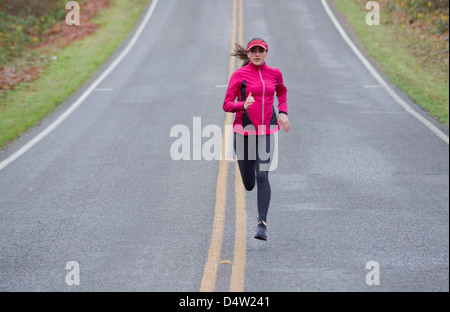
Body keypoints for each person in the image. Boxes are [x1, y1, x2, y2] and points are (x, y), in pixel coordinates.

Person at [223, 38, 290, 241]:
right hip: (244, 133)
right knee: (250, 184)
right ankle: (249, 174)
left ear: (266, 53)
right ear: (249, 54)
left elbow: (282, 91)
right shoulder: (239, 75)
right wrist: (242, 105)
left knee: (263, 176)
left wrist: (283, 112)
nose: (257, 54)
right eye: (254, 51)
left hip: (266, 132)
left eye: (261, 51)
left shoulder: (275, 74)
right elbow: (226, 104)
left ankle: (262, 224)